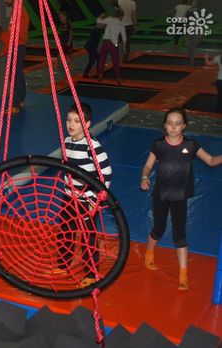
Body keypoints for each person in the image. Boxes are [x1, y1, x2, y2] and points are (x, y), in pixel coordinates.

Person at [140, 108, 222, 291]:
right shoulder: (159, 145)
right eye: (170, 123)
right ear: (165, 125)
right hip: (161, 195)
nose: (173, 127)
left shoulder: (191, 145)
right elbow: (147, 166)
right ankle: (149, 254)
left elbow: (211, 160)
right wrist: (144, 177)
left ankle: (183, 275)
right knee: (158, 229)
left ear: (183, 126)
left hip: (180, 196)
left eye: (177, 124)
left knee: (180, 234)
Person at [60, 103, 112, 287]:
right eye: (69, 120)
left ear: (87, 124)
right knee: (65, 231)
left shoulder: (92, 146)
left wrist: (95, 199)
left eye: (77, 121)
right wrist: (67, 187)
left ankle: (91, 273)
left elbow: (105, 175)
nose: (71, 124)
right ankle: (63, 264)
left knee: (87, 237)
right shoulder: (67, 141)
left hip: (87, 199)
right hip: (69, 196)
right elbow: (68, 168)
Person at [5, 0, 29, 113]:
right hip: (17, 45)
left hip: (17, 46)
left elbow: (17, 32)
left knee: (15, 75)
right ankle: (20, 100)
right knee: (18, 74)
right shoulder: (16, 10)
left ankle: (15, 105)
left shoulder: (19, 11)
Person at [97, 8, 126, 85]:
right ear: (121, 16)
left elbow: (98, 21)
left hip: (105, 42)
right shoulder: (121, 24)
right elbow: (124, 38)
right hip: (114, 44)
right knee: (116, 62)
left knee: (102, 60)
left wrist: (101, 16)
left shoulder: (109, 19)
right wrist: (124, 48)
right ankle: (118, 78)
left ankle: (100, 74)